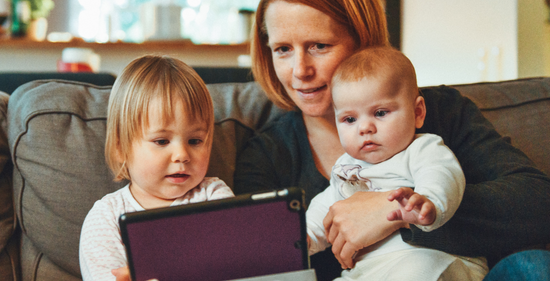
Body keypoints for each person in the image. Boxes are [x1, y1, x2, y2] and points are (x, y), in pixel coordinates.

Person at [233, 0, 550, 280]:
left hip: (442, 271)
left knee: (533, 266)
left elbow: (537, 202)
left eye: (319, 45)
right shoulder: (265, 155)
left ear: (361, 41)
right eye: (283, 49)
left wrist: (396, 214)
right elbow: (267, 258)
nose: (300, 70)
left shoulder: (441, 114)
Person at [305, 46, 487, 280]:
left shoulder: (422, 149)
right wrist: (304, 238)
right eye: (350, 119)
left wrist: (428, 203)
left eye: (380, 113)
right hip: (367, 272)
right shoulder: (345, 167)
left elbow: (441, 174)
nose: (365, 128)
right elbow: (327, 207)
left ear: (418, 112)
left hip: (431, 260)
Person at [78, 55, 235, 281]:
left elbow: (235, 264)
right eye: (161, 141)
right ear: (121, 147)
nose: (182, 155)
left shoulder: (214, 196)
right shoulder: (106, 218)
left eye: (195, 141)